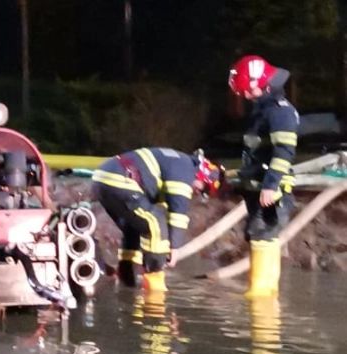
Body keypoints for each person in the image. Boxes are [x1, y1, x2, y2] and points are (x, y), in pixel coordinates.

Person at [92, 148, 219, 292]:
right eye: (204, 189)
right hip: (120, 180)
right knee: (157, 224)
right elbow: (178, 212)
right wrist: (174, 247)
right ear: (202, 175)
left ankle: (127, 277)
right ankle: (155, 289)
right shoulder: (185, 170)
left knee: (134, 226)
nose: (199, 193)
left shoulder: (177, 162)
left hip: (102, 180)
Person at [228, 55, 299, 299]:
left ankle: (262, 297)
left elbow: (284, 152)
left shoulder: (280, 113)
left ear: (264, 84)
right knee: (257, 234)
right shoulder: (263, 110)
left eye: (249, 90)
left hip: (272, 191)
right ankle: (262, 294)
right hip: (257, 187)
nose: (245, 96)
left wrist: (270, 185)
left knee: (263, 234)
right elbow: (257, 153)